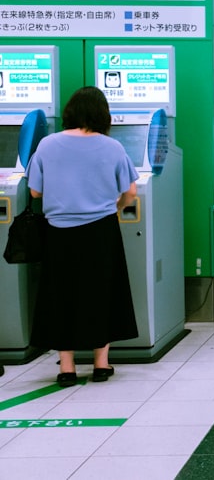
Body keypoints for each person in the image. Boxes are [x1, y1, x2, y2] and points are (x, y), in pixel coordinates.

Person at [26, 86, 139, 388]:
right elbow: (130, 191)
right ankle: (101, 364)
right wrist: (115, 208)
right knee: (101, 293)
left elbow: (35, 191)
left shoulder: (47, 145)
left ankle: (67, 367)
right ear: (103, 114)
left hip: (59, 233)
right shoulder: (112, 147)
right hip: (100, 230)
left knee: (61, 295)